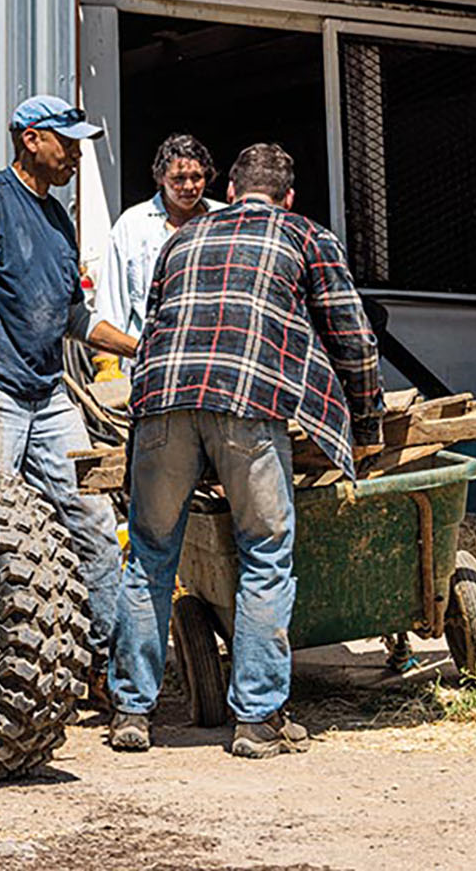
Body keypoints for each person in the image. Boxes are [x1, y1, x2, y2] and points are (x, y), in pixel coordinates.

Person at [107, 143, 383, 758]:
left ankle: (131, 712)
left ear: (229, 191)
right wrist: (365, 425)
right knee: (264, 554)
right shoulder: (305, 236)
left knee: (150, 555)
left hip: (162, 401)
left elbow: (155, 325)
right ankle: (258, 722)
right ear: (288, 197)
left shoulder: (184, 238)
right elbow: (352, 335)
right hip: (248, 406)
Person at [0, 94, 139, 680]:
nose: (74, 154)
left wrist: (139, 348)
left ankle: (105, 669)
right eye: (65, 142)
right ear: (30, 139)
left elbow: (76, 316)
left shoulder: (56, 220)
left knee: (93, 520)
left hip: (48, 398)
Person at [92, 133, 222, 350]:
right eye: (178, 179)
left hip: (210, 354)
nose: (189, 186)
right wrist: (109, 367)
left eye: (197, 177)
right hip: (150, 357)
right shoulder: (132, 225)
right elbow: (111, 305)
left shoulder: (224, 219)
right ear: (161, 178)